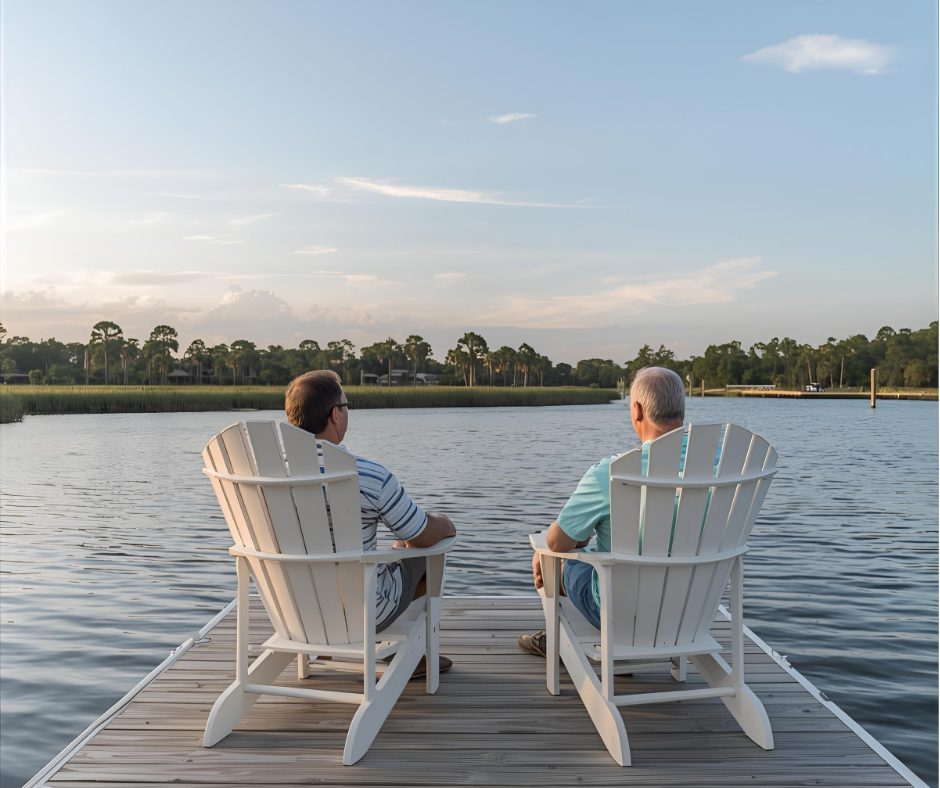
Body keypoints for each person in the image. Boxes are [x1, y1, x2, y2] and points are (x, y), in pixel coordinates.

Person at [285, 370, 457, 675]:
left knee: (403, 544)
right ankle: (413, 655)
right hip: (362, 613)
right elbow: (422, 532)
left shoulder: (267, 476)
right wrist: (445, 524)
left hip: (292, 609)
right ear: (335, 415)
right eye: (347, 406)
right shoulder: (368, 475)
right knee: (433, 550)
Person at [518, 366, 685, 656]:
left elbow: (557, 542)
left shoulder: (611, 473)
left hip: (621, 617)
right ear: (681, 410)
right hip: (688, 609)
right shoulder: (722, 467)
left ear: (636, 410)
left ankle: (555, 641)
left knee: (554, 559)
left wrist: (568, 542)